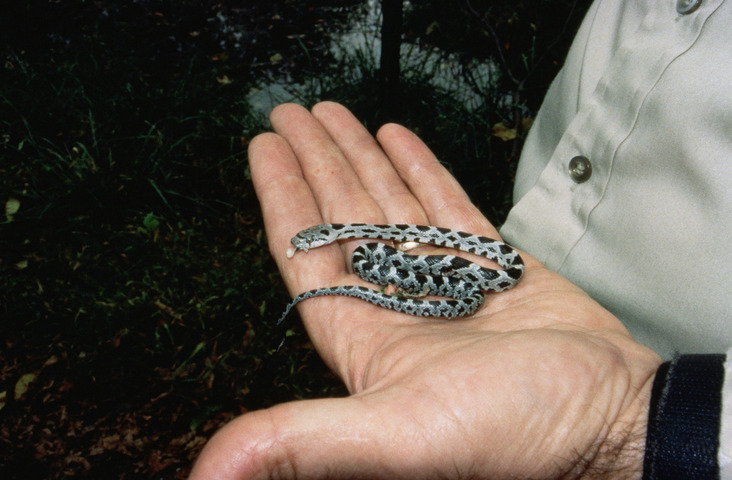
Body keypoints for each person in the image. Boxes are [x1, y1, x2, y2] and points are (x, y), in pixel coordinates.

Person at [189, 0, 731, 477]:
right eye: (315, 242)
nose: (312, 245)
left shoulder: (451, 273)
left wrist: (657, 432)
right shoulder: (379, 248)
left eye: (315, 241)